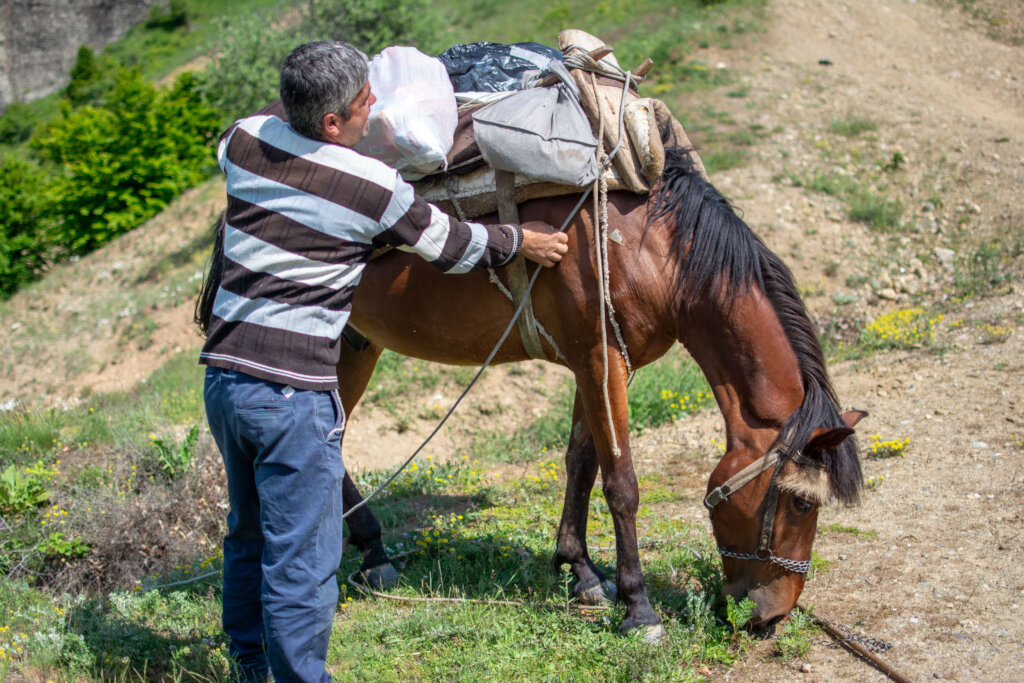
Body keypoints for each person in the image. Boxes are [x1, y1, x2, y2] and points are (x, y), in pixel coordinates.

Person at [200, 41, 568, 682]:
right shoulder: (370, 186)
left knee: (249, 535)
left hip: (226, 379)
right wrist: (520, 241)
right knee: (304, 562)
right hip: (292, 397)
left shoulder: (242, 141)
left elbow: (269, 121)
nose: (379, 111)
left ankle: (249, 666)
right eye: (366, 104)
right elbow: (451, 246)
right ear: (333, 124)